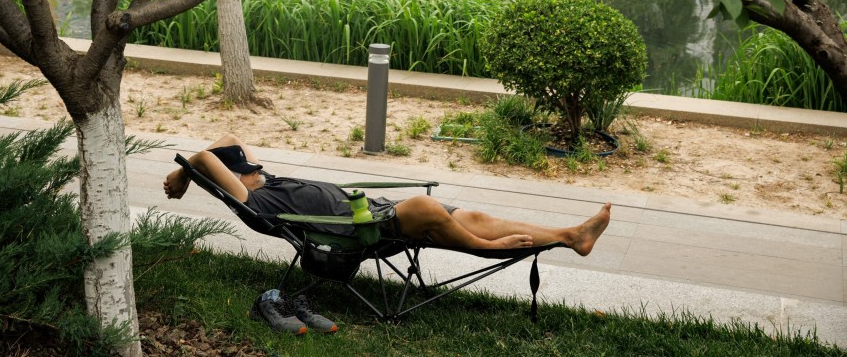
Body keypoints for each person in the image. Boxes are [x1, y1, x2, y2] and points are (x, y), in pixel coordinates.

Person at [163, 134, 612, 332]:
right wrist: (183, 176)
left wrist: (190, 172)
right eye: (250, 169)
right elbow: (204, 155)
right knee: (426, 207)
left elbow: (222, 141)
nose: (259, 168)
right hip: (356, 233)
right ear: (240, 177)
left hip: (374, 212)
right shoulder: (256, 201)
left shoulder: (269, 181)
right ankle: (486, 247)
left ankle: (571, 235)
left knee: (471, 213)